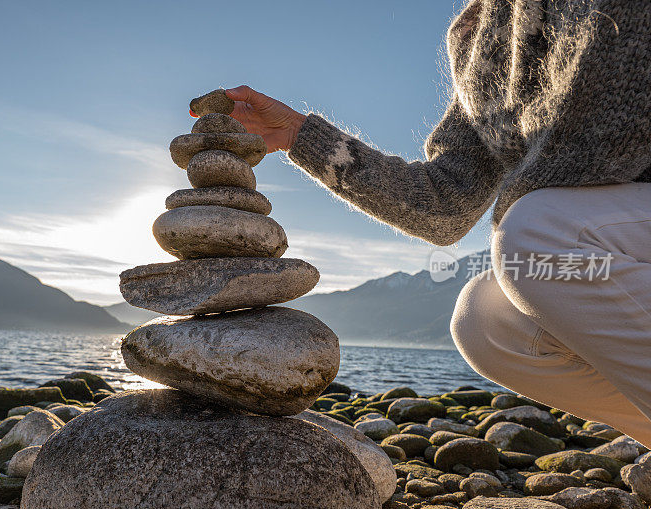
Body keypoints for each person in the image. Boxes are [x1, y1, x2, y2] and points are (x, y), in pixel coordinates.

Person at [221, 0, 651, 446]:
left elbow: (611, 140)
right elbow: (443, 204)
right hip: (604, 233)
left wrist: (528, 219)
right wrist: (297, 133)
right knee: (485, 319)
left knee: (539, 234)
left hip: (593, 227)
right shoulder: (483, 30)